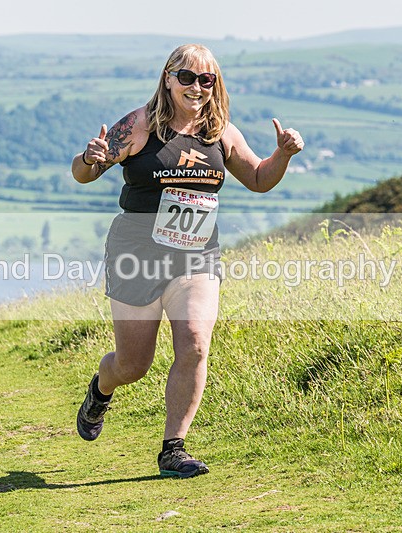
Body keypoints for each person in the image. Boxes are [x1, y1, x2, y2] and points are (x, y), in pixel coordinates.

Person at [71, 43, 304, 478]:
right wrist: (90, 159)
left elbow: (257, 178)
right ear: (168, 78)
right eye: (187, 77)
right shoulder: (140, 126)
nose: (197, 87)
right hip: (136, 253)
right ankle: (102, 389)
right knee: (133, 365)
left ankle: (173, 449)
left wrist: (283, 156)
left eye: (207, 79)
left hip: (196, 255)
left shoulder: (221, 132)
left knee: (196, 343)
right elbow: (82, 172)